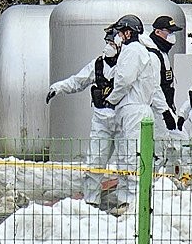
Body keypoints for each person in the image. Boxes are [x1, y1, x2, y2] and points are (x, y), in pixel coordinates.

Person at [46, 29, 123, 210]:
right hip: (101, 118)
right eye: (107, 43)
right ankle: (91, 201)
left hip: (122, 119)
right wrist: (57, 88)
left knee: (127, 162)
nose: (108, 47)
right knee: (95, 162)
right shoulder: (97, 64)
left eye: (112, 44)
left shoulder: (128, 64)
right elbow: (78, 81)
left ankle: (127, 202)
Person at [104, 14, 171, 215]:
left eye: (120, 32)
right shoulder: (138, 51)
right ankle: (126, 201)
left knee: (131, 156)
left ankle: (133, 202)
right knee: (126, 156)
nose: (118, 36)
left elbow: (124, 80)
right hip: (133, 109)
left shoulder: (133, 51)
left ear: (127, 32)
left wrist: (111, 99)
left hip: (134, 109)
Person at [145, 15, 184, 133]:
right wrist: (165, 112)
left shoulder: (163, 52)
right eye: (169, 32)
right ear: (157, 32)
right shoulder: (153, 55)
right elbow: (154, 87)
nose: (171, 36)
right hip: (158, 111)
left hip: (166, 106)